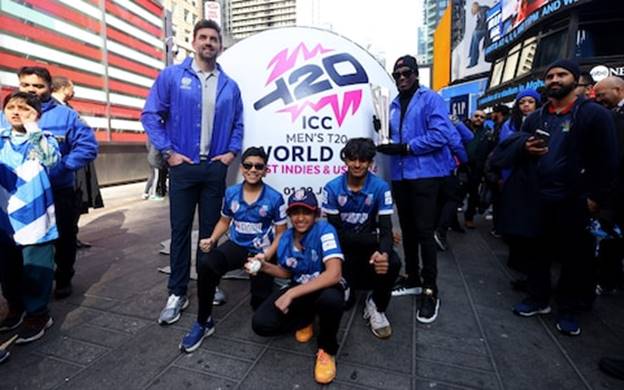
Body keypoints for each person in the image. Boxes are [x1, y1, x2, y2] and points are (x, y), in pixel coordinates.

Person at [492, 60, 618, 336]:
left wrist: (596, 198)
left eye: (561, 75)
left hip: (576, 200)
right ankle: (538, 299)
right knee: (537, 252)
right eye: (550, 76)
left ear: (576, 81)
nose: (554, 80)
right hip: (539, 199)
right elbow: (517, 149)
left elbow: (608, 162)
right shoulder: (537, 117)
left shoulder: (594, 115)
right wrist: (525, 148)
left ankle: (569, 309)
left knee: (575, 258)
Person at [141, 19, 244, 325]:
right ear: (194, 42)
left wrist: (230, 154)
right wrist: (168, 152)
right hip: (183, 168)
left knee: (211, 232)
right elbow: (150, 115)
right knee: (180, 231)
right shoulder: (172, 77)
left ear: (220, 46)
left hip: (214, 168)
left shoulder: (230, 86)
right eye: (203, 38)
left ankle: (208, 286)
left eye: (214, 39)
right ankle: (177, 291)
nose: (208, 43)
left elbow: (239, 123)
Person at [0, 67, 98, 300]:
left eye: (38, 86)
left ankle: (63, 278)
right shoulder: (9, 112)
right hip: (18, 194)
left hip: (58, 189)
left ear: (49, 87)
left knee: (63, 238)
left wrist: (59, 167)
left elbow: (88, 147)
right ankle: (23, 293)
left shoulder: (66, 115)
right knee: (16, 245)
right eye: (26, 85)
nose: (31, 89)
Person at [179, 147, 287, 352]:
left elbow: (282, 232)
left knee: (260, 306)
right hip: (237, 246)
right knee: (207, 265)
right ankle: (203, 322)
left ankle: (268, 294)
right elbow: (224, 220)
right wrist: (212, 239)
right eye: (248, 165)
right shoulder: (231, 193)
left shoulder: (275, 197)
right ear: (242, 168)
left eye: (258, 166)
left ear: (266, 170)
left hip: (261, 253)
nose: (253, 170)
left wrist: (266, 257)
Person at [376, 55, 455, 324]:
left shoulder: (430, 98)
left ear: (416, 74)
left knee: (424, 233)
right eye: (396, 74)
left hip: (425, 174)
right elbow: (392, 138)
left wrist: (406, 148)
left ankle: (430, 289)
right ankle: (412, 277)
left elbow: (441, 134)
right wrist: (382, 134)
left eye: (406, 73)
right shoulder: (393, 104)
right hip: (400, 176)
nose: (401, 78)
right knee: (407, 230)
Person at [251, 189, 345, 385]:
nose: (300, 218)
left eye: (307, 212)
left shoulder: (325, 231)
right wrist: (263, 266)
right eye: (295, 212)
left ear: (316, 214)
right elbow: (287, 272)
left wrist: (292, 293)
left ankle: (327, 350)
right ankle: (306, 318)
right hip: (301, 288)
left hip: (325, 288)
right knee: (261, 324)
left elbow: (334, 274)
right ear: (289, 214)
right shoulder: (285, 237)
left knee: (331, 299)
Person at [323, 138, 400, 338]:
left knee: (392, 261)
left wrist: (382, 252)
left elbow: (386, 228)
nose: (357, 165)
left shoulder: (381, 187)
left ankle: (376, 305)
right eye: (352, 159)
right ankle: (346, 284)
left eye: (363, 160)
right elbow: (335, 232)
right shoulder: (332, 188)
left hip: (366, 245)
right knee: (344, 304)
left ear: (370, 162)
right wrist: (374, 238)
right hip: (344, 247)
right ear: (345, 160)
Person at [0, 91, 60, 343]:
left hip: (34, 216)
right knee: (7, 267)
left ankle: (38, 313)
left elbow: (51, 159)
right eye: (11, 107)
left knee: (37, 267)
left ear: (37, 114)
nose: (16, 112)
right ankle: (15, 307)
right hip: (4, 214)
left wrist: (32, 126)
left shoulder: (44, 139)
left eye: (24, 108)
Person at [496, 88, 541, 291]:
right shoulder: (510, 125)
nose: (526, 105)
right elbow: (504, 153)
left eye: (531, 101)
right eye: (523, 102)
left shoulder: (544, 120)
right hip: (515, 179)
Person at [51, 76, 103, 249]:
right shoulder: (51, 109)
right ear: (65, 88)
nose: (74, 92)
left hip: (75, 164)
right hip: (62, 169)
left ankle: (71, 236)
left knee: (77, 202)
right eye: (72, 88)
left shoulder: (68, 110)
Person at [463, 110, 496, 229]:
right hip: (462, 167)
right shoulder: (463, 129)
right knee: (456, 194)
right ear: (471, 117)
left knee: (473, 194)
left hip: (477, 168)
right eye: (476, 116)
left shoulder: (487, 133)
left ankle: (469, 218)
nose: (479, 119)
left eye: (482, 117)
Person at [467, 2, 490, 68]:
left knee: (475, 34)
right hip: (484, 28)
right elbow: (479, 24)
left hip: (487, 28)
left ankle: (473, 60)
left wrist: (477, 30)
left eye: (473, 8)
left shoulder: (483, 10)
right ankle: (471, 55)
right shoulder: (479, 13)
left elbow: (483, 22)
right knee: (474, 34)